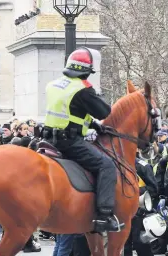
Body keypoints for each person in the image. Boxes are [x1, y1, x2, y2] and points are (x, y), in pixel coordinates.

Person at [43, 47, 122, 233]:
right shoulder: (82, 89)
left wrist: (94, 125)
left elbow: (72, 112)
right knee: (107, 165)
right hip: (69, 142)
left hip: (47, 138)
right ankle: (104, 215)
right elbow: (104, 111)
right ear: (86, 71)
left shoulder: (54, 84)